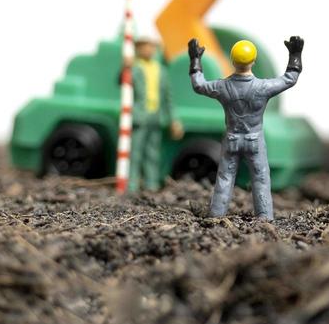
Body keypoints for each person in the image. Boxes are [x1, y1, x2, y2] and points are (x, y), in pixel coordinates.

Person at [187, 35, 303, 220]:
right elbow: (290, 79)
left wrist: (195, 60)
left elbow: (198, 85)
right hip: (254, 140)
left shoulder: (222, 86)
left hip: (232, 139)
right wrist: (295, 55)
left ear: (232, 60)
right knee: (261, 179)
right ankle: (264, 217)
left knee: (224, 179)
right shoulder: (263, 87)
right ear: (254, 61)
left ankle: (216, 215)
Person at [129, 27, 183, 191]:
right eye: (145, 46)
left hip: (156, 116)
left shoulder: (161, 70)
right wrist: (126, 68)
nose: (149, 49)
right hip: (139, 115)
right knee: (135, 152)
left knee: (153, 153)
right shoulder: (134, 67)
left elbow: (169, 98)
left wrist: (173, 119)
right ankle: (132, 184)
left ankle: (151, 184)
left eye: (152, 46)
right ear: (138, 48)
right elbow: (122, 83)